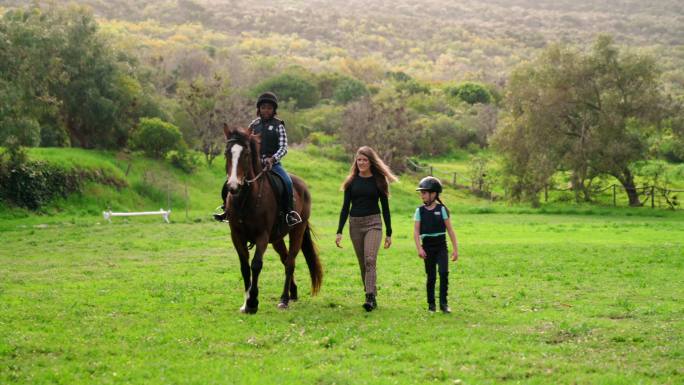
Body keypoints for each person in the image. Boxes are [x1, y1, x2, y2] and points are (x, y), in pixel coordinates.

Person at [214, 92, 302, 226]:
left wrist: (273, 159)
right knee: (228, 183)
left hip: (273, 164)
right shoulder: (253, 125)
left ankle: (289, 213)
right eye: (263, 107)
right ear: (259, 109)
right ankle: (226, 209)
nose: (266, 110)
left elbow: (284, 147)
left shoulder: (279, 125)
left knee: (287, 182)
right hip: (254, 164)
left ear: (274, 110)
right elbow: (245, 144)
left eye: (269, 108)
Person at [335, 146, 397, 311]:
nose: (361, 162)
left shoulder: (379, 181)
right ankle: (372, 293)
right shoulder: (351, 182)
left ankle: (369, 297)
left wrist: (389, 233)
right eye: (359, 159)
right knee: (363, 263)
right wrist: (339, 231)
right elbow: (344, 208)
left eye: (364, 160)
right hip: (355, 224)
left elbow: (385, 208)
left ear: (371, 162)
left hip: (373, 224)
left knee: (370, 259)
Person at [413, 176, 458, 313]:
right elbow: (415, 232)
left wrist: (455, 249)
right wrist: (419, 248)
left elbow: (450, 230)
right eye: (421, 193)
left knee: (443, 273)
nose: (422, 195)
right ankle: (431, 305)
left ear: (434, 194)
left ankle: (444, 304)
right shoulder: (419, 211)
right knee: (431, 276)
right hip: (427, 246)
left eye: (424, 192)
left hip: (441, 245)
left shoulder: (442, 209)